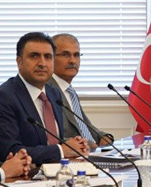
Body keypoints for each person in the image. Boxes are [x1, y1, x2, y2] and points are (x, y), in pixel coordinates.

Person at [0, 32, 89, 165]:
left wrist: (75, 145)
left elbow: (48, 141)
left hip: (58, 171)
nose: (42, 63)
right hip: (27, 174)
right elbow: (10, 150)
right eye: (34, 56)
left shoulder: (54, 93)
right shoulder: (5, 96)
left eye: (47, 57)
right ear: (19, 62)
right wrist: (61, 150)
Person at [48, 33, 113, 149]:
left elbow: (83, 125)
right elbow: (52, 136)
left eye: (76, 55)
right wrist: (88, 144)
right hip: (72, 155)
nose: (72, 61)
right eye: (65, 55)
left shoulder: (69, 91)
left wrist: (103, 136)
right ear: (50, 58)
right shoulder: (46, 89)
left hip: (91, 151)